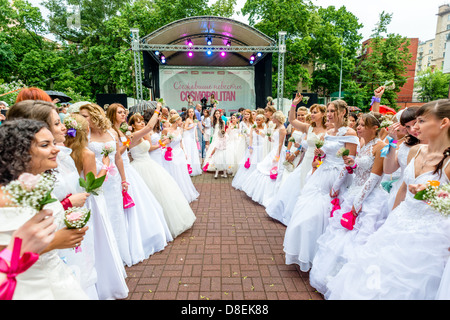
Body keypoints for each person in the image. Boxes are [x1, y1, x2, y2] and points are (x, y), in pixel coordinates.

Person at [326, 99, 450, 300]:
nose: (414, 127)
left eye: (421, 121)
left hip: (429, 234)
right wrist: (391, 221)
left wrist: (433, 195)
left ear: (443, 123)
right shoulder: (415, 151)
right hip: (399, 222)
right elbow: (401, 187)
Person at [6, 100, 98, 299]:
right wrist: (53, 242)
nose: (56, 148)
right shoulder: (10, 192)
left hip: (58, 266)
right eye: (45, 144)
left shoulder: (37, 177)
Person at [309, 112, 388, 295]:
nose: (358, 127)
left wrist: (358, 201)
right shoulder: (363, 145)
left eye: (362, 125)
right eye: (358, 124)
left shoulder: (381, 147)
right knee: (338, 234)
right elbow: (355, 169)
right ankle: (333, 277)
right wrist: (348, 170)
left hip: (369, 197)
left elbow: (375, 177)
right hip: (353, 192)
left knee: (358, 239)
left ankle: (351, 284)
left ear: (374, 128)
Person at [283, 99, 359, 272]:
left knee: (326, 214)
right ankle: (306, 252)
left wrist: (337, 184)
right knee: (306, 212)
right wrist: (321, 154)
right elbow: (326, 155)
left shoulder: (350, 133)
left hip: (337, 177)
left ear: (343, 113)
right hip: (321, 174)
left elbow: (350, 163)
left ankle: (322, 255)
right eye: (329, 111)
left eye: (333, 111)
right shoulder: (329, 132)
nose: (330, 114)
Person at [63, 113, 129, 300]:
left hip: (74, 197)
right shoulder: (87, 153)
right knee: (98, 238)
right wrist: (105, 166)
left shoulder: (65, 150)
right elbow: (94, 184)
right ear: (85, 131)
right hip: (90, 200)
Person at [106, 103, 171, 265]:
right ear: (112, 114)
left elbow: (149, 127)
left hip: (129, 168)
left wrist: (128, 142)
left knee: (142, 206)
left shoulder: (121, 131)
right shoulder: (111, 133)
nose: (123, 114)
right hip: (122, 171)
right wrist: (128, 144)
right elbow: (116, 154)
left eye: (124, 112)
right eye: (120, 112)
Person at [128, 106, 196, 238]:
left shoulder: (142, 135)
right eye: (138, 122)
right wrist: (157, 110)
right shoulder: (134, 136)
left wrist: (162, 143)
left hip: (150, 163)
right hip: (140, 166)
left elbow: (151, 146)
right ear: (132, 125)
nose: (142, 123)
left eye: (142, 121)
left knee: (162, 191)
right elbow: (148, 133)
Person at [79, 103, 132, 267]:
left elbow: (117, 158)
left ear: (95, 116)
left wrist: (123, 179)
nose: (82, 119)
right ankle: (102, 257)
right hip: (93, 179)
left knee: (115, 214)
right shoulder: (82, 135)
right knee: (99, 215)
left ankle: (117, 254)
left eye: (85, 116)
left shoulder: (111, 132)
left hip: (113, 180)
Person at [266, 101, 327, 226]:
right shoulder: (308, 127)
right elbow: (292, 120)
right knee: (302, 186)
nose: (313, 114)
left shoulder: (329, 129)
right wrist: (293, 104)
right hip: (307, 162)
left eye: (315, 112)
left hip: (320, 161)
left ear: (323, 114)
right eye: (312, 112)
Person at [241, 111, 287, 207]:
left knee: (271, 168)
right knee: (264, 167)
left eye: (273, 118)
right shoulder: (276, 127)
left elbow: (281, 143)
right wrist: (270, 138)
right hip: (274, 149)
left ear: (277, 119)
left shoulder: (282, 129)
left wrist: (277, 156)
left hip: (277, 151)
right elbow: (275, 140)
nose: (272, 119)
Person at [161, 113, 200, 202]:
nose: (181, 122)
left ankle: (184, 193)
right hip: (171, 153)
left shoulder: (180, 130)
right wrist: (167, 143)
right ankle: (174, 194)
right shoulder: (166, 130)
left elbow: (181, 141)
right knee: (174, 171)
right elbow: (162, 142)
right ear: (176, 121)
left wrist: (184, 152)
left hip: (179, 153)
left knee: (182, 173)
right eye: (180, 120)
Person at [232, 114, 266, 190]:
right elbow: (251, 137)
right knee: (250, 164)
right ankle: (247, 183)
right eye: (256, 120)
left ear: (263, 120)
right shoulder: (253, 127)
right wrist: (250, 147)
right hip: (254, 148)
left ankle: (257, 184)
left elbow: (265, 137)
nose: (257, 121)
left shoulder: (265, 127)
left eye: (259, 120)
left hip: (262, 148)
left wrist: (259, 132)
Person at [182, 107, 202, 176]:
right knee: (189, 152)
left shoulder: (194, 120)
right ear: (188, 113)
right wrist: (192, 126)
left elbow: (195, 129)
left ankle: (194, 168)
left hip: (192, 138)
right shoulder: (188, 120)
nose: (191, 113)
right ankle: (188, 169)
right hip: (187, 137)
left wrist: (196, 137)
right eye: (190, 112)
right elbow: (185, 128)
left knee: (193, 152)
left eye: (192, 112)